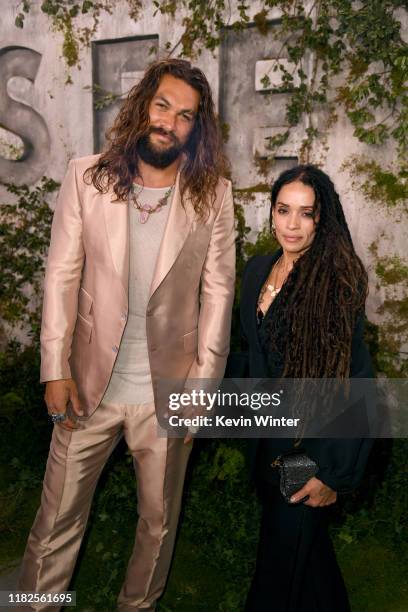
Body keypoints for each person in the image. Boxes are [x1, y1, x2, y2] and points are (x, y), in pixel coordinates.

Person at [17, 58, 235, 611]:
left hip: (166, 397)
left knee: (158, 527)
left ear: (196, 129)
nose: (169, 122)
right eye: (162, 105)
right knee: (55, 520)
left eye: (185, 116)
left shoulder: (212, 196)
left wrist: (201, 395)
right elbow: (62, 277)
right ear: (142, 105)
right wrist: (55, 369)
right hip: (87, 388)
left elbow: (218, 299)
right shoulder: (86, 178)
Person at [239, 165, 374, 611]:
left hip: (305, 451)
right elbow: (250, 355)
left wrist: (331, 470)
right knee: (308, 561)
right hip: (266, 441)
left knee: (277, 571)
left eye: (306, 213)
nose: (292, 224)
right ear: (272, 212)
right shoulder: (258, 270)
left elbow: (355, 381)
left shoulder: (334, 284)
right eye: (283, 210)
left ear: (323, 219)